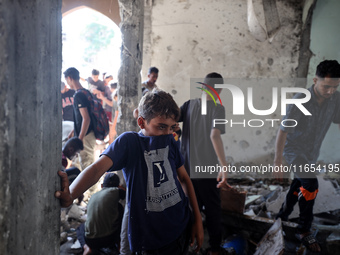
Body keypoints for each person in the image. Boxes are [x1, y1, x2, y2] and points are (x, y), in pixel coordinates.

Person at [56, 89, 204, 255]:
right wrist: (71, 194)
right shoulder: (130, 143)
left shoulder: (170, 141)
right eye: (161, 127)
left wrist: (197, 219)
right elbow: (96, 168)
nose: (167, 133)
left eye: (171, 127)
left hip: (180, 228)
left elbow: (184, 179)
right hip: (150, 241)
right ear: (141, 122)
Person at [274, 60, 340, 253]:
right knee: (310, 185)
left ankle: (282, 215)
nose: (330, 91)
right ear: (315, 80)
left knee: (299, 184)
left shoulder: (336, 99)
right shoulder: (299, 100)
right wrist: (278, 161)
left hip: (312, 152)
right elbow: (283, 131)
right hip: (293, 150)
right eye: (326, 86)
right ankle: (303, 230)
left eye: (335, 87)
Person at [178, 72, 230, 255]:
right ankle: (214, 249)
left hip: (185, 170)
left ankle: (189, 246)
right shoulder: (218, 109)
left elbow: (171, 120)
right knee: (213, 210)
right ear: (219, 90)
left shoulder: (189, 105)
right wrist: (224, 166)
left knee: (192, 209)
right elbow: (214, 135)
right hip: (206, 171)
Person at [76, 172, 125, 255]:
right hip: (108, 239)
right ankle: (120, 245)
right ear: (118, 186)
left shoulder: (94, 196)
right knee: (120, 208)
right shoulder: (116, 190)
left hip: (90, 241)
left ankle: (86, 247)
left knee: (80, 227)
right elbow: (126, 193)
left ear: (102, 186)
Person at [64, 67, 96, 172]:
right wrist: (74, 132)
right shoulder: (85, 92)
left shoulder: (79, 95)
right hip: (86, 134)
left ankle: (92, 189)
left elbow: (86, 119)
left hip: (86, 136)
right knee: (84, 165)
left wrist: (79, 139)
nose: (67, 84)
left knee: (88, 168)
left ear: (70, 78)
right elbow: (81, 118)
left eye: (67, 81)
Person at [62, 137, 84, 204]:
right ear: (71, 150)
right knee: (76, 174)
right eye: (76, 153)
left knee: (75, 171)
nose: (76, 156)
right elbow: (61, 178)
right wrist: (77, 190)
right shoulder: (63, 160)